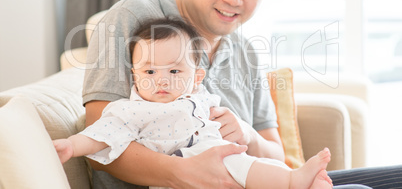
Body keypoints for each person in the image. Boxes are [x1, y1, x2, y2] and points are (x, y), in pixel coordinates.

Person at [82, 0, 402, 188]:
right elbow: (100, 140)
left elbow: (277, 157)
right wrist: (183, 173)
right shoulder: (133, 17)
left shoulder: (245, 52)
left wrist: (247, 134)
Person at [56, 18, 334, 189]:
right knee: (242, 165)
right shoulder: (132, 110)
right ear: (134, 77)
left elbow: (267, 149)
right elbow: (101, 135)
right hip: (184, 167)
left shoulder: (199, 97)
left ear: (197, 78)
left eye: (174, 71)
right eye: (150, 72)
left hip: (222, 160)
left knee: (248, 164)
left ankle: (295, 181)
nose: (162, 81)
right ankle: (293, 182)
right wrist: (71, 145)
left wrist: (243, 131)